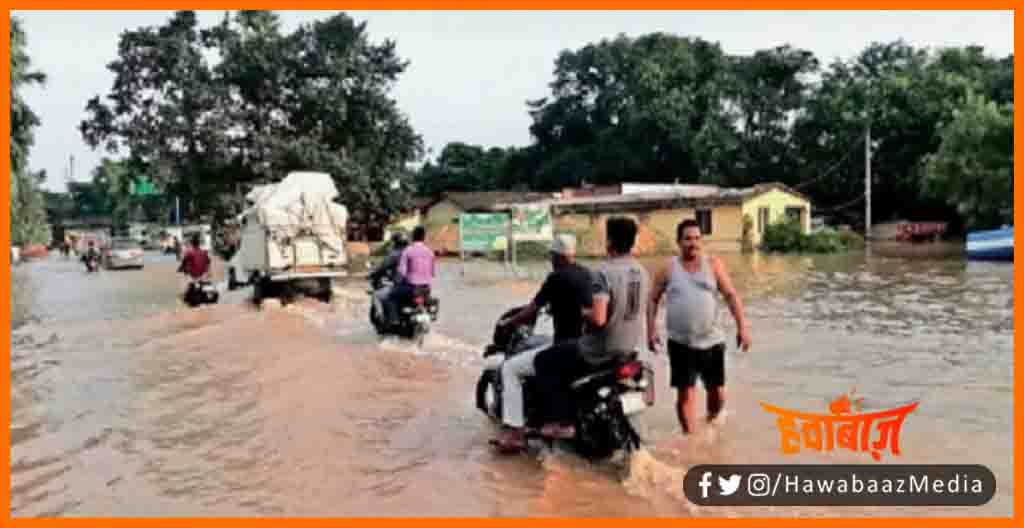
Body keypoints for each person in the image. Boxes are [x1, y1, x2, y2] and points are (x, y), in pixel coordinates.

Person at [534, 217, 650, 441]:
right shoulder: (642, 272)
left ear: (609, 241)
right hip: (628, 349)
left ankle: (561, 422)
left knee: (544, 361)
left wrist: (581, 313)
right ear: (633, 242)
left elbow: (598, 318)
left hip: (599, 350)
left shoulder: (604, 273)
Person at [647, 218, 752, 436]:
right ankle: (691, 440)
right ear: (678, 242)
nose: (692, 243)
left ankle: (711, 425)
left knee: (718, 395)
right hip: (681, 342)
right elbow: (652, 299)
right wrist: (651, 329)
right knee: (685, 395)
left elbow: (731, 296)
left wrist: (743, 327)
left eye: (696, 238)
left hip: (712, 341)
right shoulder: (668, 268)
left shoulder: (713, 264)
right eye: (687, 239)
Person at [492, 233, 596, 451]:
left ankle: (515, 433)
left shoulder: (556, 278)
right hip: (588, 346)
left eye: (552, 255)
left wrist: (509, 322)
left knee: (510, 369)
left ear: (557, 256)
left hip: (564, 346)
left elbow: (532, 310)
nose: (551, 259)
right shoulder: (587, 274)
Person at [386, 226, 435, 324]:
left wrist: (396, 282)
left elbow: (402, 272)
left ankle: (394, 320)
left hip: (412, 288)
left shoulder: (408, 251)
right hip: (426, 289)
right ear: (424, 237)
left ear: (412, 237)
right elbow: (432, 273)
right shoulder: (430, 252)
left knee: (390, 296)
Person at [370, 233, 409, 321]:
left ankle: (385, 318)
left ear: (395, 243)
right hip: (416, 286)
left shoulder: (394, 254)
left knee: (376, 295)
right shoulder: (411, 253)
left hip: (401, 285)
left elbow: (382, 268)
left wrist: (373, 274)